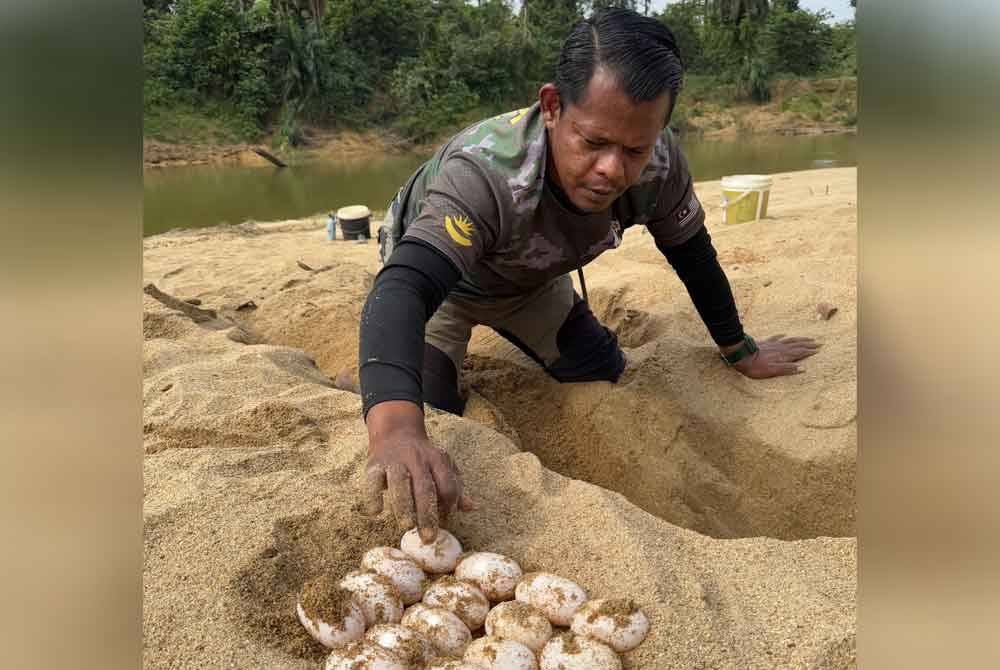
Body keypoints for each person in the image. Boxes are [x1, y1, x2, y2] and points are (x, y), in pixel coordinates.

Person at [354, 8, 819, 542]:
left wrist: (740, 350)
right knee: (433, 413)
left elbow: (692, 254)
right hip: (446, 287)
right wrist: (395, 428)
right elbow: (404, 287)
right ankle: (372, 382)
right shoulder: (484, 175)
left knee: (601, 368)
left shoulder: (660, 167)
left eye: (635, 149)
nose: (613, 171)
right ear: (552, 106)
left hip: (528, 281)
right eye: (594, 143)